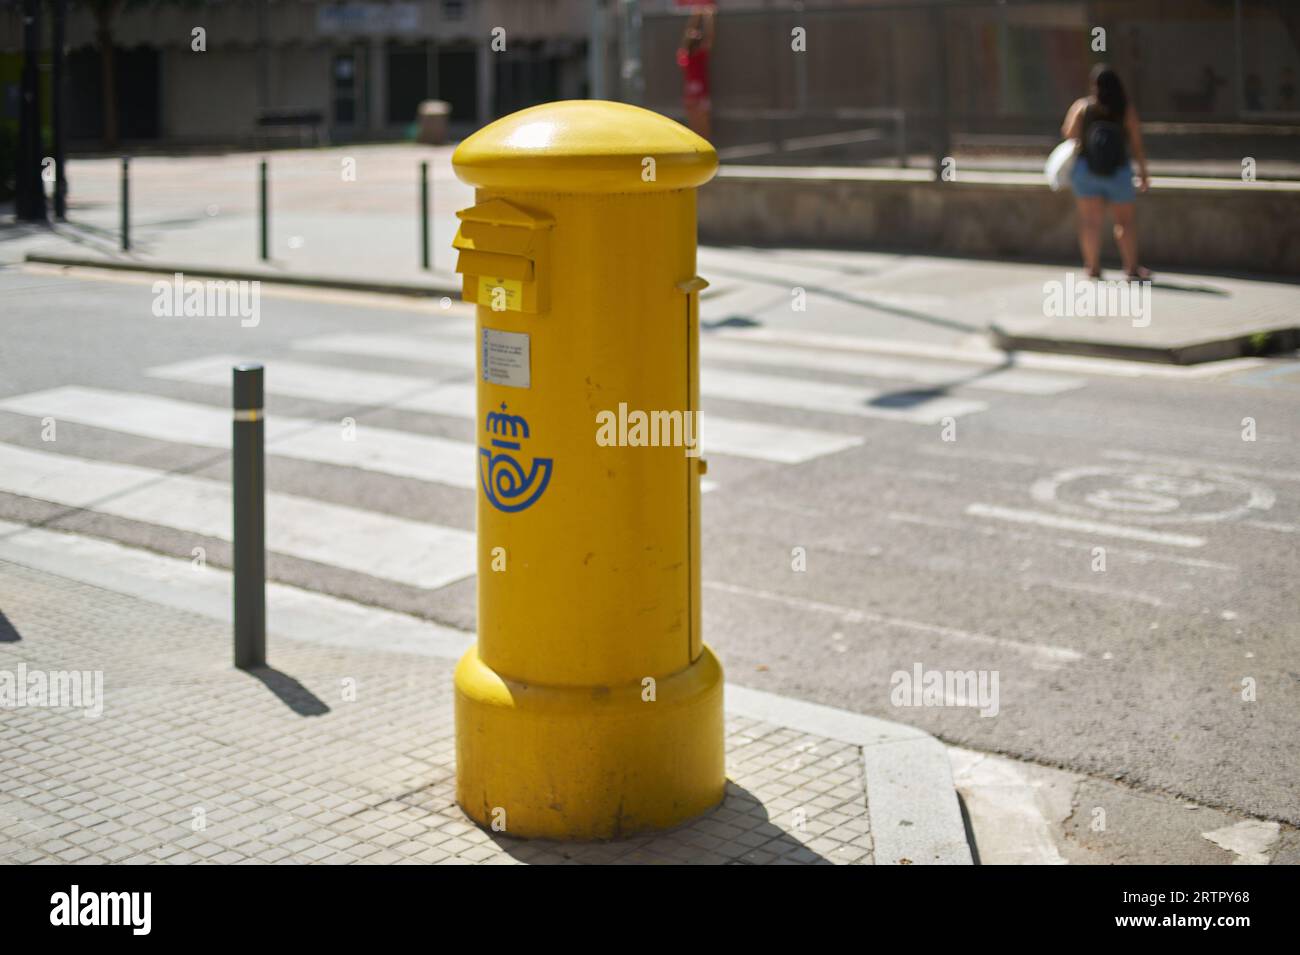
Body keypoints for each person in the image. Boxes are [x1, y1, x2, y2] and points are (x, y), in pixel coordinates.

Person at [1061, 64, 1151, 280]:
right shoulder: (1124, 109)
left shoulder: (1083, 107)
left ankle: (1092, 267)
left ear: (1094, 85)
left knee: (1090, 222)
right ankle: (1131, 268)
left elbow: (1068, 133)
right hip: (1118, 171)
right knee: (1124, 222)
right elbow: (1137, 143)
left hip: (1087, 170)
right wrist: (1144, 172)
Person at [677, 9, 714, 140]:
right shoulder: (688, 58)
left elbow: (705, 38)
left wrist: (699, 16)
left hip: (696, 96)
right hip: (694, 97)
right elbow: (707, 38)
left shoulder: (694, 57)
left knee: (700, 126)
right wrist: (703, 16)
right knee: (698, 127)